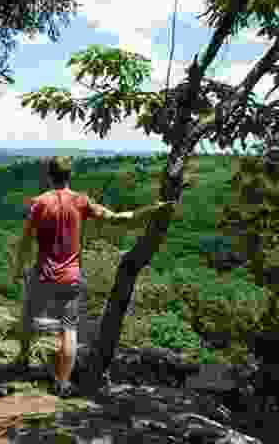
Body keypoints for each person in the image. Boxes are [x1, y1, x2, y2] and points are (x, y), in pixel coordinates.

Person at [9, 155, 174, 398]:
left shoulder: (39, 204)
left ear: (49, 175)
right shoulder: (81, 201)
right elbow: (120, 219)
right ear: (69, 176)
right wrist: (154, 209)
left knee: (28, 316)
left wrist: (18, 269)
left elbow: (25, 242)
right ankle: (63, 383)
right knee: (69, 329)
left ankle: (23, 358)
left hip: (43, 274)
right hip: (71, 276)